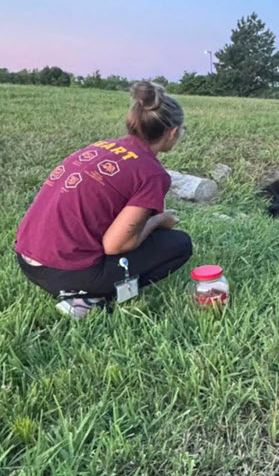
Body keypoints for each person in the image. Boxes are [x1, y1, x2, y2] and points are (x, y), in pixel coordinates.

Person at [15, 81, 192, 318]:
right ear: (172, 132)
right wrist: (159, 220)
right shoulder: (152, 173)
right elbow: (116, 245)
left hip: (27, 260)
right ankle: (88, 298)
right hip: (64, 273)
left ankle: (82, 288)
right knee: (179, 244)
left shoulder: (102, 146)